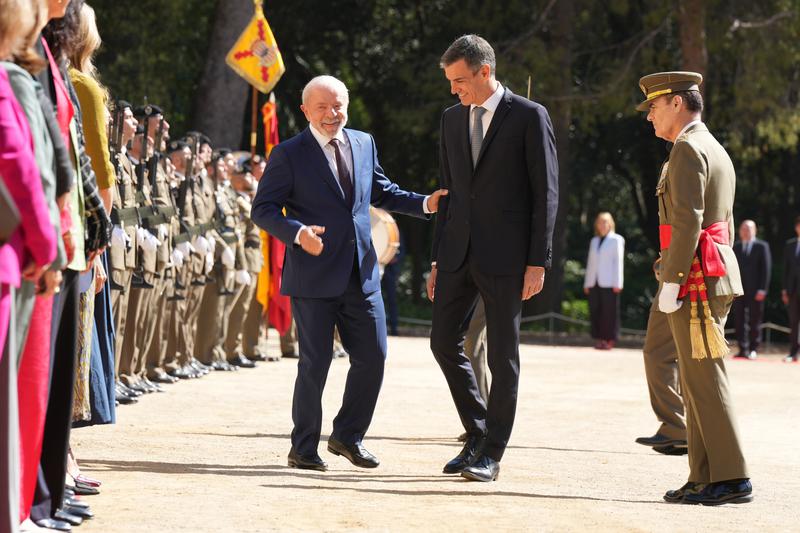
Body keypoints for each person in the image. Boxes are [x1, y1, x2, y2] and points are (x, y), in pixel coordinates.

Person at [251, 74, 446, 472]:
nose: (331, 114)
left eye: (338, 105)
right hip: (314, 275)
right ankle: (303, 447)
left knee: (374, 356)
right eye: (322, 106)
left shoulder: (363, 142)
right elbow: (263, 210)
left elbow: (382, 191)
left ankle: (348, 436)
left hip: (362, 272)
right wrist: (298, 233)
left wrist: (425, 203)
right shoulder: (288, 154)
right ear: (306, 110)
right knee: (315, 362)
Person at [427, 34, 559, 482]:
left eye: (460, 80)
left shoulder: (528, 116)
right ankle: (478, 431)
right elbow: (448, 194)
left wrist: (537, 260)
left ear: (486, 72)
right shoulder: (449, 119)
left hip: (508, 258)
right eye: (450, 81)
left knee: (503, 356)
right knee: (443, 342)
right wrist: (435, 260)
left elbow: (546, 193)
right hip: (456, 253)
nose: (454, 90)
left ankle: (491, 452)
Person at [639, 70, 751, 505]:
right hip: (708, 270)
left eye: (653, 106)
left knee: (705, 378)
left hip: (697, 277)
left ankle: (731, 475)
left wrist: (673, 281)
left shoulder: (687, 148)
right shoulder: (710, 146)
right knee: (695, 380)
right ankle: (705, 475)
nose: (650, 116)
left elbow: (688, 223)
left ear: (676, 104)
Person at [636, 259, 687, 455]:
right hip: (693, 278)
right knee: (687, 358)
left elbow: (686, 234)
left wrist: (668, 267)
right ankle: (686, 429)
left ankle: (676, 427)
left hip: (676, 279)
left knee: (658, 354)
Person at [583, 212, 624, 350]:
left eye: (605, 222)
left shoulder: (617, 239)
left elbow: (618, 262)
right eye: (600, 222)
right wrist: (587, 282)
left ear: (610, 224)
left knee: (609, 312)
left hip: (610, 282)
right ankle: (599, 338)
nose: (602, 225)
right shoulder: (594, 241)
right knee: (596, 310)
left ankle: (609, 339)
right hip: (594, 281)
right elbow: (590, 263)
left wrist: (618, 282)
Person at [732, 220, 771, 360]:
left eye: (748, 228)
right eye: (742, 228)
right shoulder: (735, 247)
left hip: (756, 290)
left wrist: (763, 289)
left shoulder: (762, 246)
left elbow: (766, 269)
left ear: (755, 230)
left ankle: (754, 348)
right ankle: (743, 349)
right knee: (739, 319)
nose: (745, 231)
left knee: (755, 320)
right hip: (739, 290)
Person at [782, 216, 800, 363]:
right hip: (793, 290)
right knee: (793, 322)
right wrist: (784, 290)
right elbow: (786, 270)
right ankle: (793, 352)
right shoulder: (790, 245)